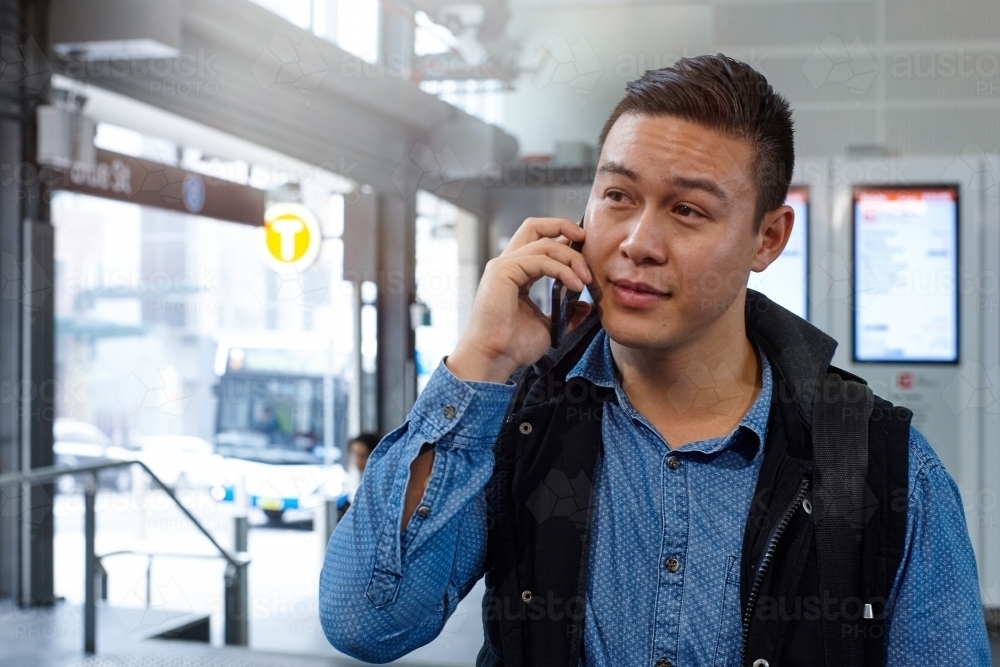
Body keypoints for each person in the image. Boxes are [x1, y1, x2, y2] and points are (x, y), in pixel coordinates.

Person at [319, 55, 990, 666]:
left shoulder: (881, 464)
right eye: (618, 196)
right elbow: (366, 618)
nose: (639, 242)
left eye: (688, 210)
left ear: (767, 237)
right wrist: (482, 356)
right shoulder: (518, 420)